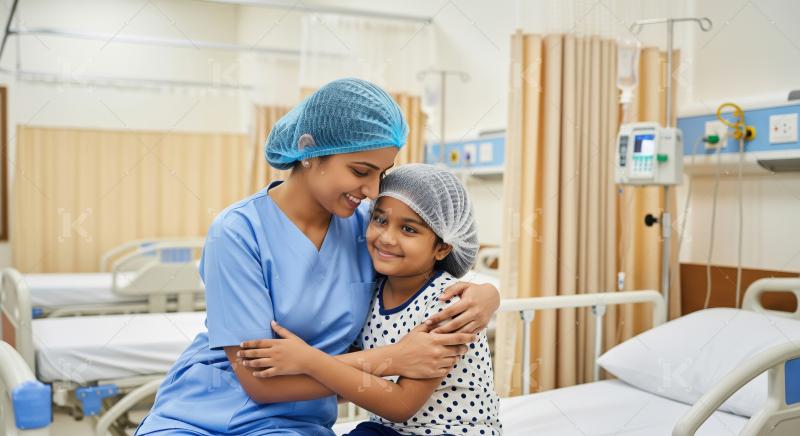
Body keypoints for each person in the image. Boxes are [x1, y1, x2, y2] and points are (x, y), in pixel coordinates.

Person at [135, 78, 501, 436]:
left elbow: (423, 277)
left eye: (381, 174)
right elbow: (259, 383)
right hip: (197, 414)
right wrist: (393, 358)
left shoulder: (371, 231)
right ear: (310, 152)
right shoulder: (238, 231)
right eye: (360, 171)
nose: (373, 190)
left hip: (292, 423)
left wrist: (487, 296)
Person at [240, 164, 502, 435]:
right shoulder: (371, 294)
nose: (387, 238)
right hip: (385, 430)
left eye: (409, 229)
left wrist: (307, 360)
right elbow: (351, 381)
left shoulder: (449, 307)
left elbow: (401, 405)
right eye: (380, 220)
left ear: (442, 247)